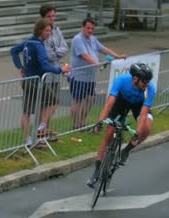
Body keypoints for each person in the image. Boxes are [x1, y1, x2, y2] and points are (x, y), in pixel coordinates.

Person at [86, 63, 155, 188]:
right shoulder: (121, 81)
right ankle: (96, 171)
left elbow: (143, 114)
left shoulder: (150, 89)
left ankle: (126, 150)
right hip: (121, 102)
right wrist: (100, 122)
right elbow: (109, 104)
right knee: (108, 135)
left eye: (148, 82)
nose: (146, 85)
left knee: (146, 128)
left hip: (138, 105)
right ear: (135, 79)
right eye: (144, 82)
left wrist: (136, 135)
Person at [11, 18, 71, 146]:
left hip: (27, 80)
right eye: (47, 30)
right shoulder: (38, 45)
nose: (49, 33)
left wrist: (20, 67)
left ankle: (28, 140)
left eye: (50, 30)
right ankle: (41, 127)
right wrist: (60, 69)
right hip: (36, 82)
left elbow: (14, 50)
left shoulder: (28, 41)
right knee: (53, 102)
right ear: (40, 31)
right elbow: (45, 65)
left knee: (26, 111)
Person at [69, 18, 126, 130]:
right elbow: (84, 55)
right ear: (83, 27)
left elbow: (104, 49)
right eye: (88, 28)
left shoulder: (92, 39)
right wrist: (97, 64)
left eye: (92, 28)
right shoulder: (78, 39)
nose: (90, 31)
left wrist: (117, 56)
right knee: (78, 100)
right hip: (79, 76)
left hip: (90, 77)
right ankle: (75, 125)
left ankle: (82, 122)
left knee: (90, 99)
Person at [37, 4, 68, 138]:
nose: (52, 19)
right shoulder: (41, 33)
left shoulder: (57, 30)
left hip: (56, 71)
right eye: (49, 16)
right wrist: (57, 53)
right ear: (43, 18)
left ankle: (45, 130)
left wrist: (56, 53)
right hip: (46, 74)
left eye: (53, 16)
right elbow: (46, 55)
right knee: (47, 103)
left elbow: (65, 47)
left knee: (52, 103)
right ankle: (40, 132)